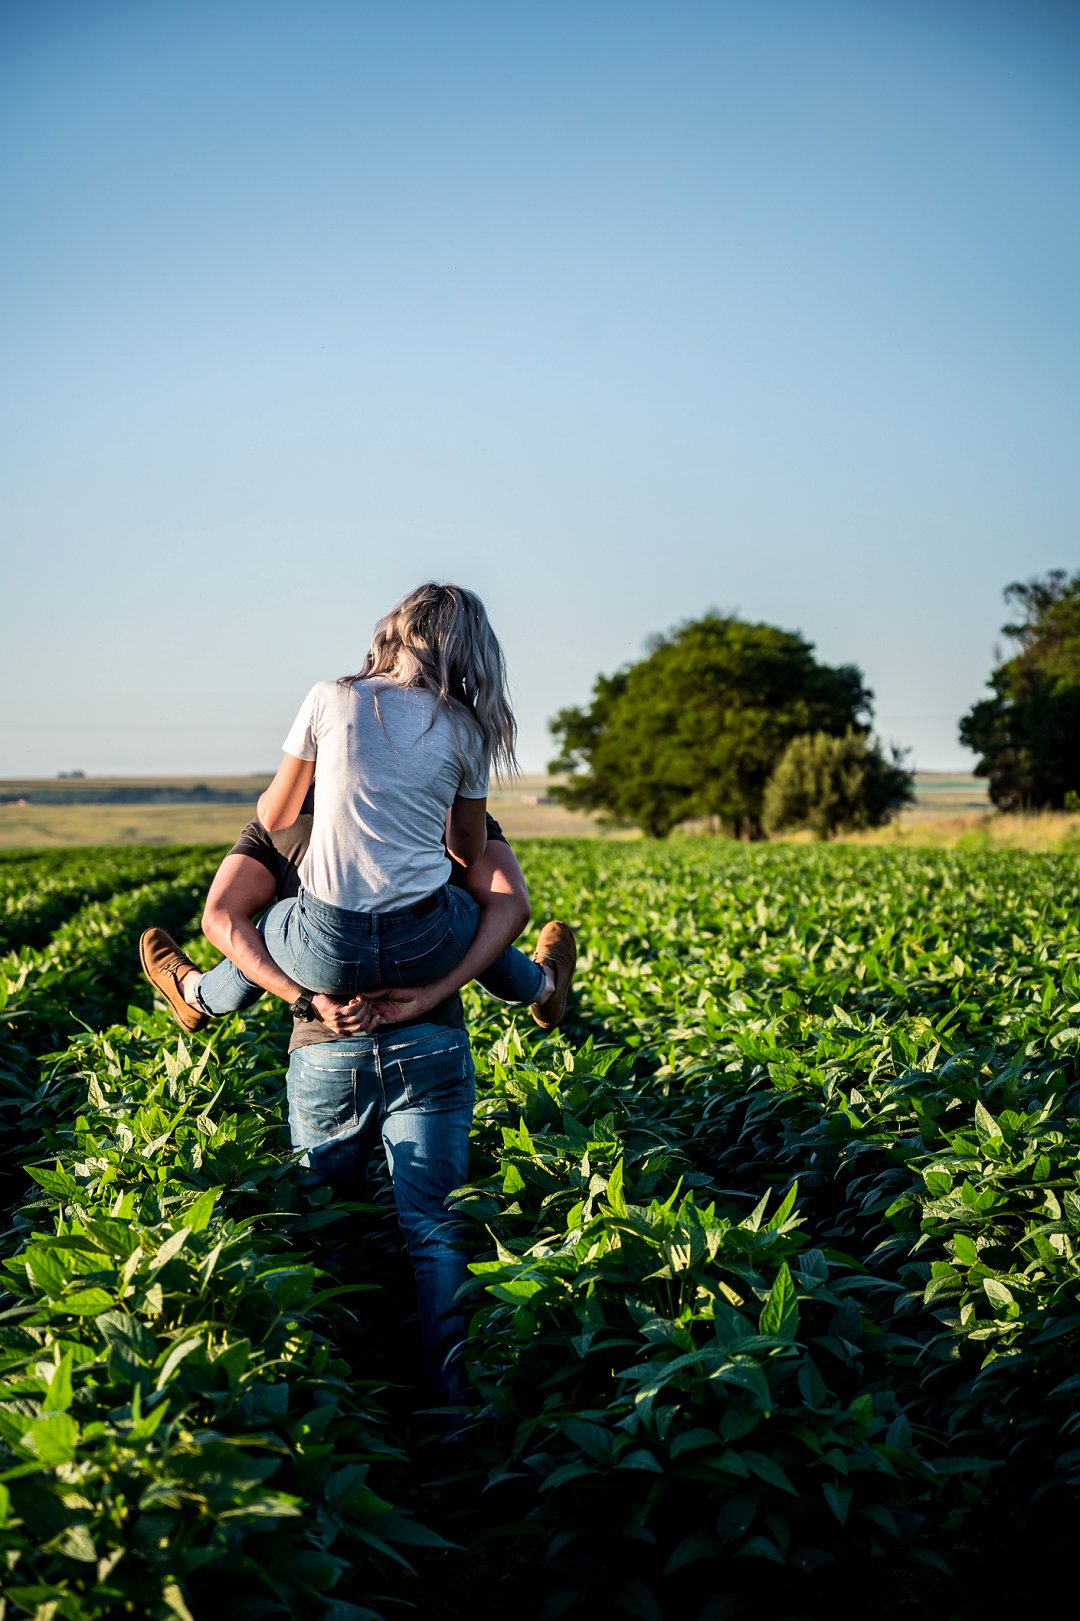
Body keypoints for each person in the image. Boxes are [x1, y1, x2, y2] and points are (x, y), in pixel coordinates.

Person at [139, 798, 577, 1401]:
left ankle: (335, 1400)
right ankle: (452, 1408)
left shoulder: (288, 816)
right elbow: (507, 907)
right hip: (430, 1040)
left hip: (328, 1046)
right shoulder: (444, 808)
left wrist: (304, 999)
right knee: (438, 1228)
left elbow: (224, 918)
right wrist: (435, 989)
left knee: (325, 1226)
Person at [247, 581, 522, 1006]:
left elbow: (276, 817)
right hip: (422, 948)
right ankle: (538, 986)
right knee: (479, 913)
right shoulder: (469, 729)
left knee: (266, 925)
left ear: (392, 634)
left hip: (328, 952)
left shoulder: (329, 696)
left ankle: (197, 996)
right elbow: (466, 851)